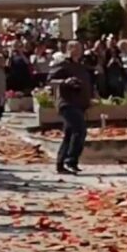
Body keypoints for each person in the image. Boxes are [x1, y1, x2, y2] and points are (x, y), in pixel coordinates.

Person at [48, 41, 93, 175]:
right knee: (79, 131)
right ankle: (70, 161)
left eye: (81, 47)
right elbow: (50, 80)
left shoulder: (80, 66)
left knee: (69, 134)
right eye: (77, 48)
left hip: (79, 103)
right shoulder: (63, 64)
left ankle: (60, 163)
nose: (80, 50)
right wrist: (64, 82)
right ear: (69, 49)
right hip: (67, 103)